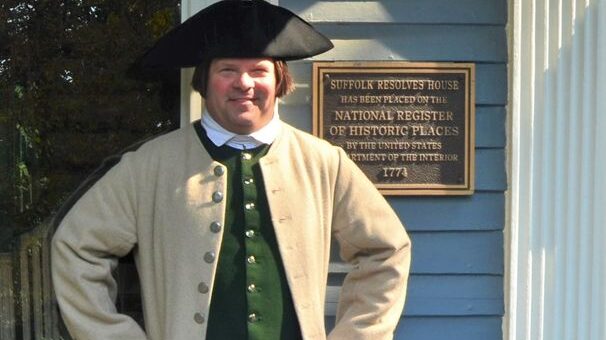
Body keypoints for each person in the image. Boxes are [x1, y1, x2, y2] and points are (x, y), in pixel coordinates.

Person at [51, 1, 411, 339]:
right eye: (228, 71)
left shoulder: (323, 162)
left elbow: (385, 250)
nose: (244, 83)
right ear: (204, 82)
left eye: (258, 71)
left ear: (279, 81)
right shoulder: (149, 166)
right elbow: (77, 248)